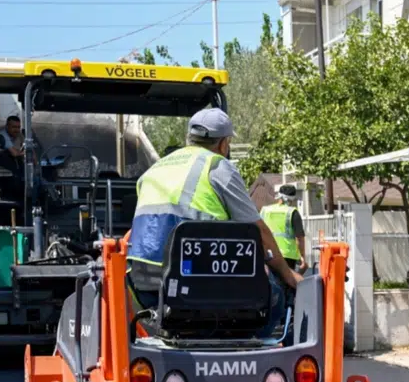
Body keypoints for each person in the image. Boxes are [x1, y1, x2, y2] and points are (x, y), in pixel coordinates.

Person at [126, 108, 301, 316]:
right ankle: (251, 344)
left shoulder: (153, 170)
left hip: (143, 286)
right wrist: (287, 273)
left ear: (188, 138)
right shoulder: (217, 167)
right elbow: (258, 230)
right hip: (202, 287)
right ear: (223, 144)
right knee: (275, 295)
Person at [259, 184, 308, 272]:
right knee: (286, 283)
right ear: (291, 199)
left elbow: (258, 230)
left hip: (268, 253)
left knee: (269, 283)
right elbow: (299, 238)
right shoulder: (292, 212)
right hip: (287, 256)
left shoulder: (264, 210)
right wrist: (302, 257)